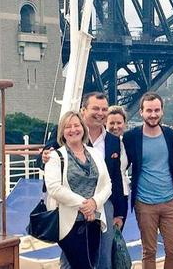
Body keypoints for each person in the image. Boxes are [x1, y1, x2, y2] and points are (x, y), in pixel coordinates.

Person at [41, 92, 127, 269]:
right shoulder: (67, 134)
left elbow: (114, 179)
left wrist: (118, 212)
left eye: (104, 109)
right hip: (69, 207)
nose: (100, 113)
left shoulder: (112, 140)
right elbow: (45, 160)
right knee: (71, 257)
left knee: (103, 253)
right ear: (83, 110)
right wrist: (84, 204)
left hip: (102, 205)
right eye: (95, 108)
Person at [45, 111, 112, 269]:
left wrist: (94, 203)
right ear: (62, 132)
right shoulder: (55, 157)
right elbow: (54, 188)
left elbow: (107, 184)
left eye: (76, 125)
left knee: (92, 263)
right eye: (68, 127)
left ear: (83, 128)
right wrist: (84, 205)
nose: (73, 129)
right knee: (81, 265)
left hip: (93, 219)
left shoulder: (95, 153)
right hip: (69, 222)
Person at [122, 92, 173, 269]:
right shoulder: (131, 137)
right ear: (141, 112)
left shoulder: (170, 135)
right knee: (149, 251)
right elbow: (113, 155)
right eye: (149, 111)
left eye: (156, 110)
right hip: (144, 202)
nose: (153, 114)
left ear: (162, 111)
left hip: (169, 201)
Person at [106, 105, 131, 227]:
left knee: (117, 237)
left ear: (125, 124)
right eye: (111, 123)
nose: (115, 127)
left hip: (123, 196)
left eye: (119, 123)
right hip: (106, 196)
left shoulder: (126, 143)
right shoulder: (100, 145)